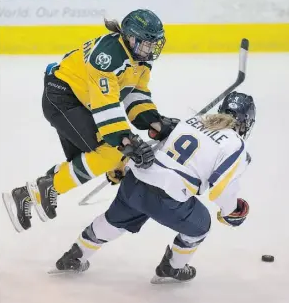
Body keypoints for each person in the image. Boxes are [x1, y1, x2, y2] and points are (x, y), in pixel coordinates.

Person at [2, 9, 177, 233]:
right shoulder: (108, 56)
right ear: (130, 37)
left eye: (154, 43)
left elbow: (135, 93)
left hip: (81, 103)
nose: (150, 49)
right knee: (113, 153)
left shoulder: (140, 59)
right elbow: (106, 106)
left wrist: (154, 122)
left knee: (110, 157)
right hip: (64, 99)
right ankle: (48, 187)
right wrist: (125, 140)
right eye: (145, 43)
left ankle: (26, 195)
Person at [53, 91, 256, 283]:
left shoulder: (195, 120)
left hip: (135, 182)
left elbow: (155, 147)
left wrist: (123, 165)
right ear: (246, 122)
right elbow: (221, 190)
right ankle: (172, 267)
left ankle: (74, 256)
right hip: (168, 200)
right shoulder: (236, 145)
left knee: (114, 221)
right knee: (200, 226)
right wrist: (231, 212)